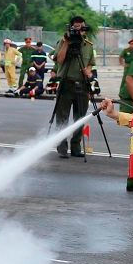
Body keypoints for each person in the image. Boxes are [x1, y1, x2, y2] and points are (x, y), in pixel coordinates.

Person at [52, 16, 96, 158]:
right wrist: (67, 42)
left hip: (82, 84)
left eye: (82, 27)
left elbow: (90, 63)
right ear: (71, 27)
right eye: (77, 27)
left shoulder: (88, 45)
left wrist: (88, 71)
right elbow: (59, 59)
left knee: (80, 117)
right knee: (62, 117)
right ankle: (62, 147)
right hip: (66, 83)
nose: (80, 31)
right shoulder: (64, 41)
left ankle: (76, 147)